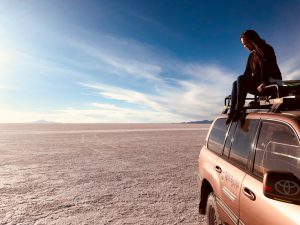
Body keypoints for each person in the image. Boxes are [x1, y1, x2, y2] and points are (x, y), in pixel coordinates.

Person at [226, 30, 282, 124]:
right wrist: (238, 89)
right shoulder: (251, 56)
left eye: (246, 43)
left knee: (240, 79)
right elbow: (246, 74)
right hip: (259, 86)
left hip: (271, 83)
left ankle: (239, 109)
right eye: (243, 45)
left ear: (252, 40)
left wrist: (265, 83)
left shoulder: (267, 49)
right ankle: (232, 111)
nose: (245, 46)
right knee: (236, 82)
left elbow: (269, 69)